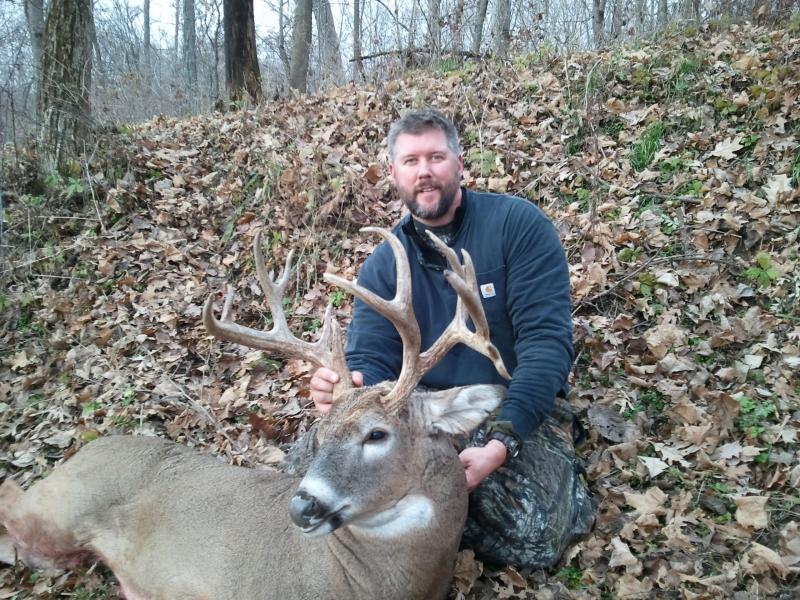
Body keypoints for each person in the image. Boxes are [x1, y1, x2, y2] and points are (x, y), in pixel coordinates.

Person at [309, 108, 574, 492]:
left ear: (459, 164)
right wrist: (347, 389)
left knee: (525, 528)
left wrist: (504, 440)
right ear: (392, 173)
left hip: (513, 405)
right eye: (411, 161)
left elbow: (546, 343)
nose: (424, 172)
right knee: (314, 468)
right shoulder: (383, 266)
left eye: (436, 157)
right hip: (417, 412)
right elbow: (371, 359)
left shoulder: (518, 227)